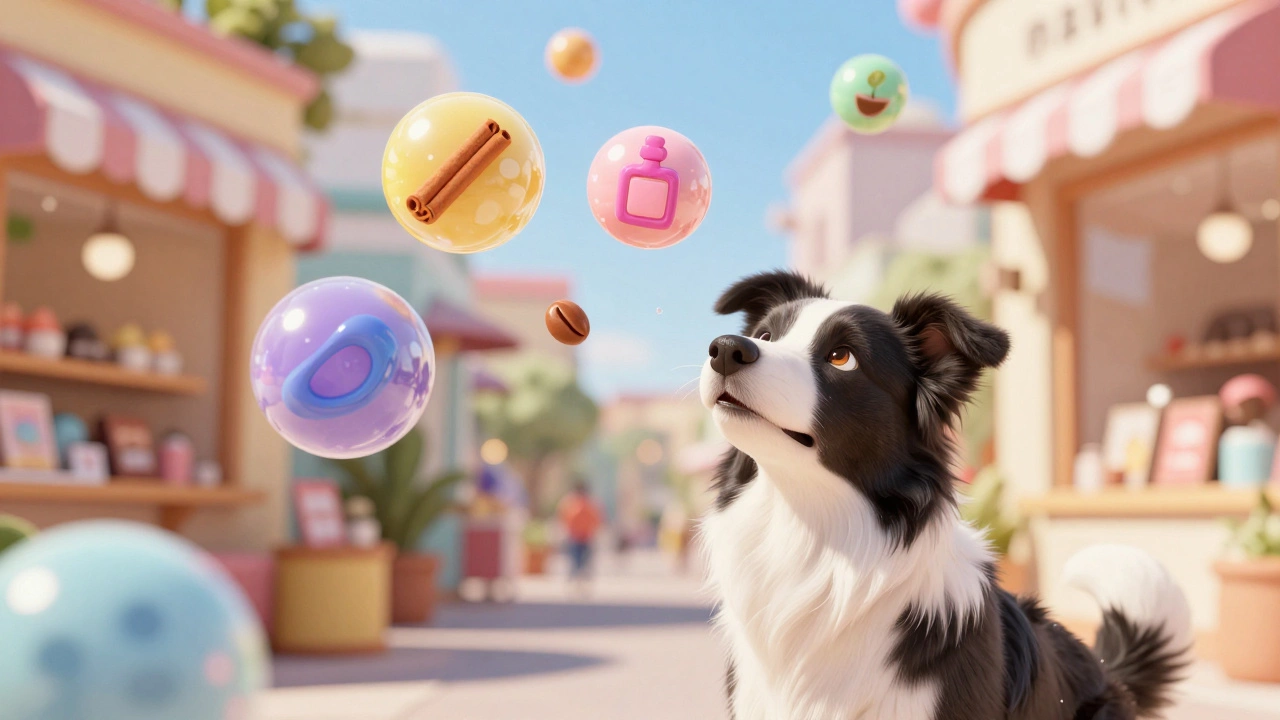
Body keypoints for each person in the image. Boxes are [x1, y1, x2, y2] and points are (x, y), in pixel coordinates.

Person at [557, 482, 602, 591]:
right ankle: (577, 580)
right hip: (575, 536)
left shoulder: (588, 503)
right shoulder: (572, 502)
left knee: (583, 561)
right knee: (576, 560)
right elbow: (563, 517)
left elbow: (597, 519)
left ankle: (581, 581)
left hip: (585, 536)